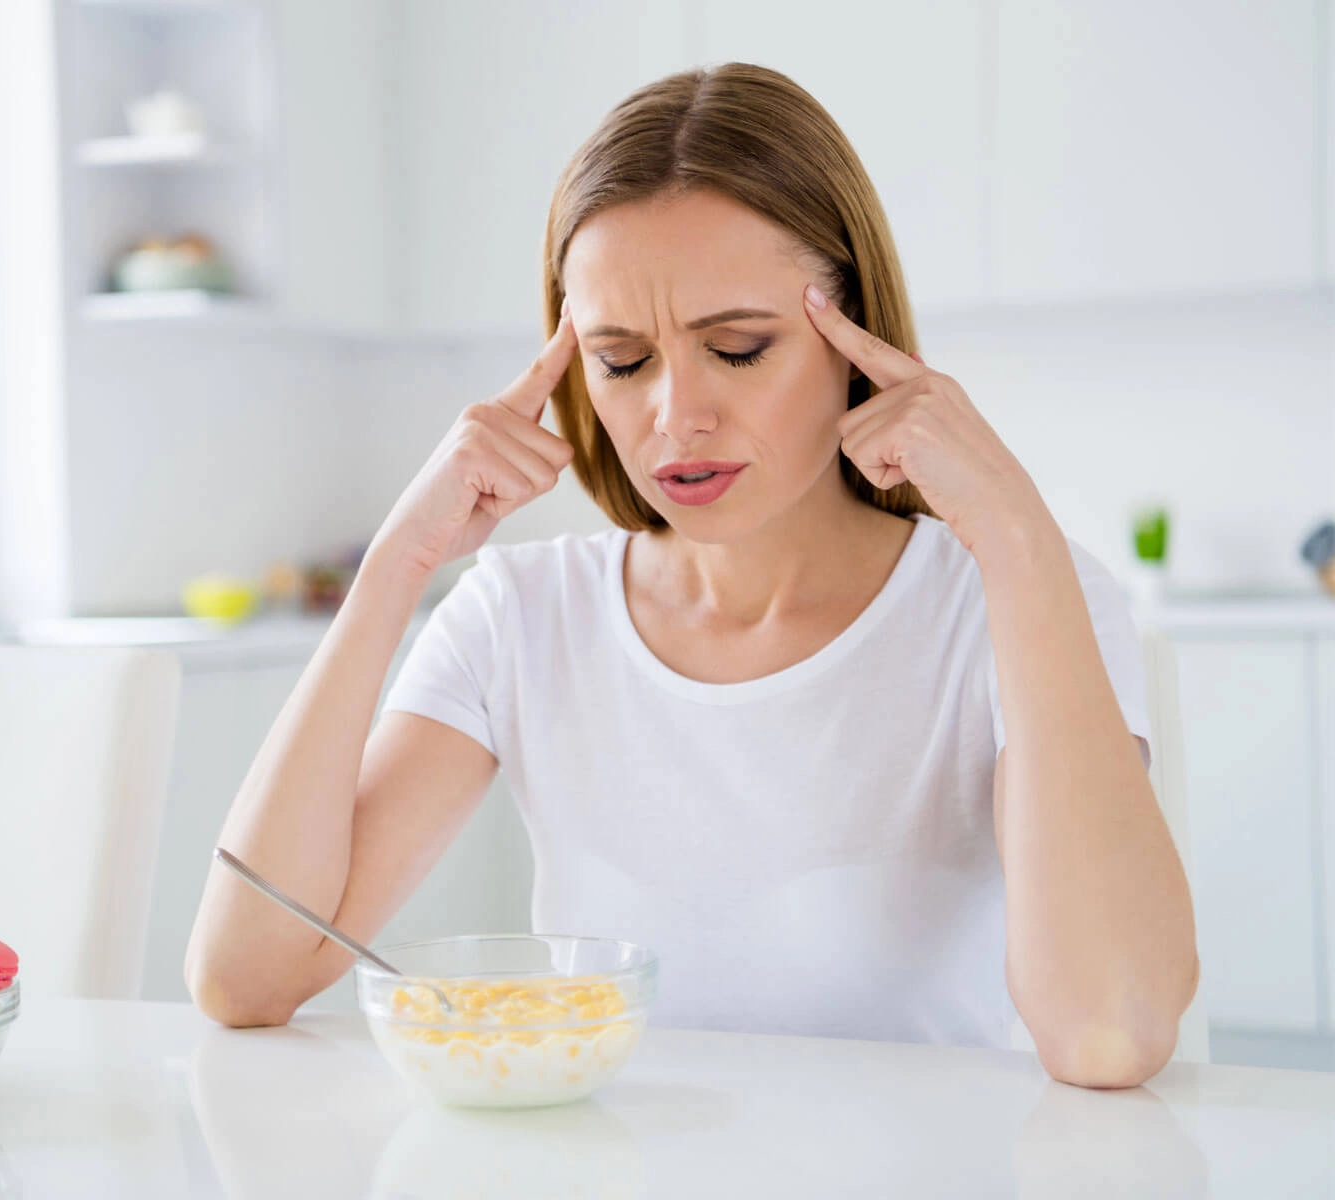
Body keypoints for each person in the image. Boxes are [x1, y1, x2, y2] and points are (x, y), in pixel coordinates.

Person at [186, 62, 1199, 1089]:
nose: (673, 416)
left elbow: (1106, 1036)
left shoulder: (1009, 598)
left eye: (737, 348)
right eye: (621, 363)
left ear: (854, 338)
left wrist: (1014, 537)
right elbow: (244, 975)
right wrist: (394, 569)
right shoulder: (520, 618)